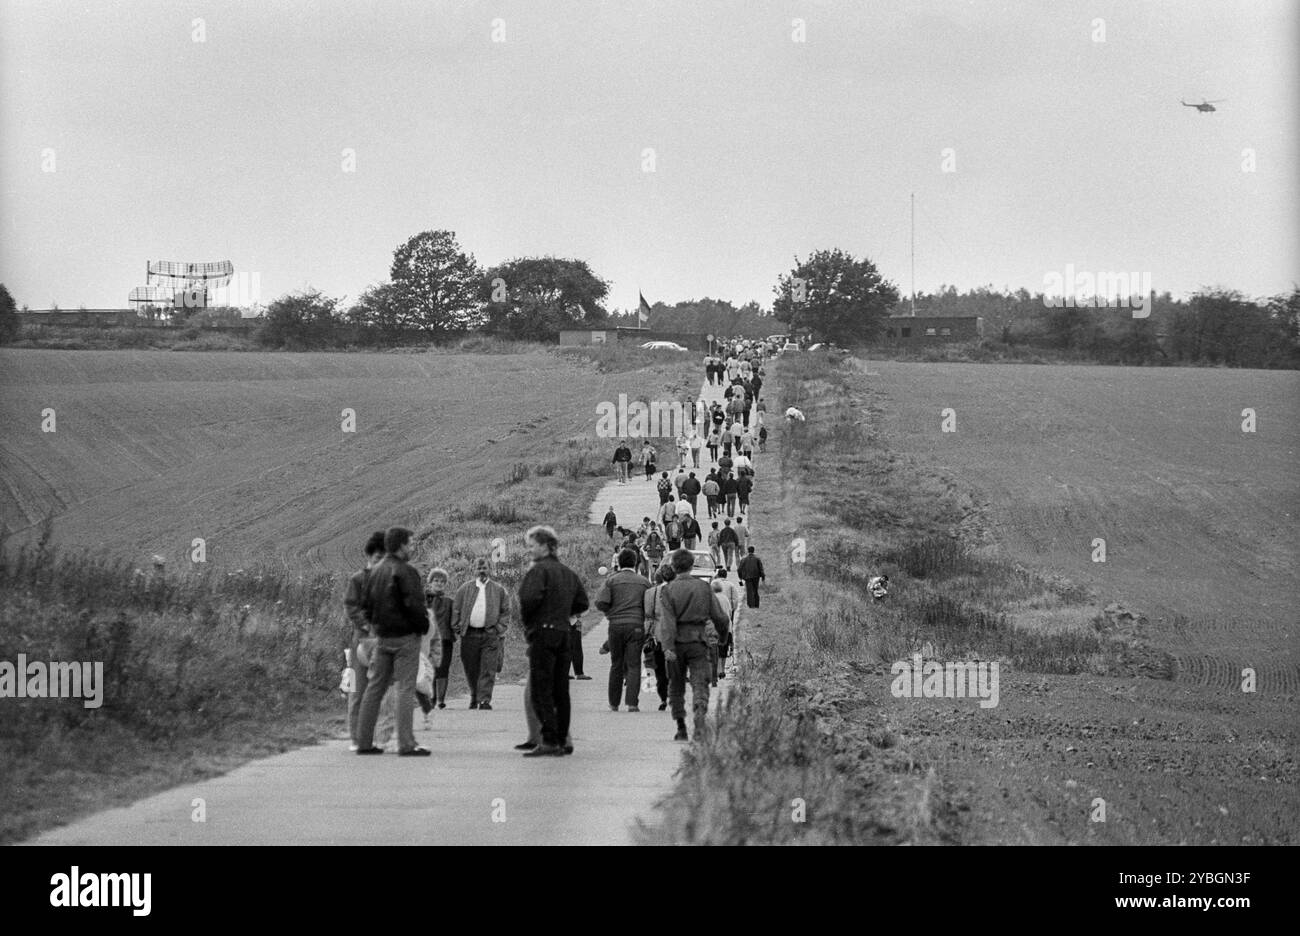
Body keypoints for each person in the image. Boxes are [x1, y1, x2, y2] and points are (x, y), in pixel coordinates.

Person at [355, 527, 431, 756]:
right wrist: (423, 627)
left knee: (374, 688)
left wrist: (376, 627)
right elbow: (415, 605)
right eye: (410, 543)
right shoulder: (406, 571)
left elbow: (365, 607)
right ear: (400, 545)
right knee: (405, 689)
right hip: (406, 638)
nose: (412, 547)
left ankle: (364, 742)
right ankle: (406, 744)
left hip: (382, 637)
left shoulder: (375, 571)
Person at [518, 525, 589, 757]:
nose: (529, 551)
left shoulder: (539, 571)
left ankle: (548, 739)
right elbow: (582, 603)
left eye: (532, 546)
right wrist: (563, 613)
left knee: (541, 688)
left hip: (543, 632)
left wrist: (531, 624)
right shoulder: (567, 572)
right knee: (561, 689)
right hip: (563, 633)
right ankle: (562, 739)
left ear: (545, 546)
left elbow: (528, 600)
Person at [657, 549, 730, 741]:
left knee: (676, 685)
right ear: (691, 566)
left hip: (676, 643)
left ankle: (681, 727)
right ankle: (699, 720)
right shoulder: (704, 588)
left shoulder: (668, 590)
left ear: (673, 566)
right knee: (700, 683)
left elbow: (667, 622)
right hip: (699, 641)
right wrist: (722, 637)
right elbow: (720, 617)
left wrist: (668, 647)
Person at [343, 530, 386, 751]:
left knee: (379, 691)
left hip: (384, 641)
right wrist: (367, 625)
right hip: (361, 640)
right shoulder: (357, 579)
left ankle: (372, 736)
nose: (381, 562)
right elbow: (351, 606)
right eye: (378, 557)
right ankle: (356, 738)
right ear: (370, 556)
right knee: (358, 690)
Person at [595, 549, 651, 712]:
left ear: (619, 562)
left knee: (616, 664)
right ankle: (632, 703)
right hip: (636, 627)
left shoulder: (611, 581)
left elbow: (600, 602)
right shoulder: (643, 582)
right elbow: (650, 605)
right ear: (635, 562)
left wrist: (611, 613)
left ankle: (614, 703)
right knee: (634, 664)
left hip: (616, 626)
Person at [452, 557, 511, 710]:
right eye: (479, 568)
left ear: (489, 569)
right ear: (474, 570)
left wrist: (499, 628)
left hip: (490, 635)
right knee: (471, 668)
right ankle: (474, 695)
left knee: (488, 668)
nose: (482, 571)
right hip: (469, 635)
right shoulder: (464, 589)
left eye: (484, 568)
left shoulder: (498, 590)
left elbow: (506, 611)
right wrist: (457, 627)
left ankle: (484, 700)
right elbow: (456, 609)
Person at [425, 567, 456, 710]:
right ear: (430, 582)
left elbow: (455, 620)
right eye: (436, 580)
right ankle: (431, 698)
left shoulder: (450, 601)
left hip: (445, 639)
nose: (439, 583)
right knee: (430, 667)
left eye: (442, 581)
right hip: (428, 640)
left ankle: (441, 700)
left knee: (443, 668)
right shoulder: (424, 600)